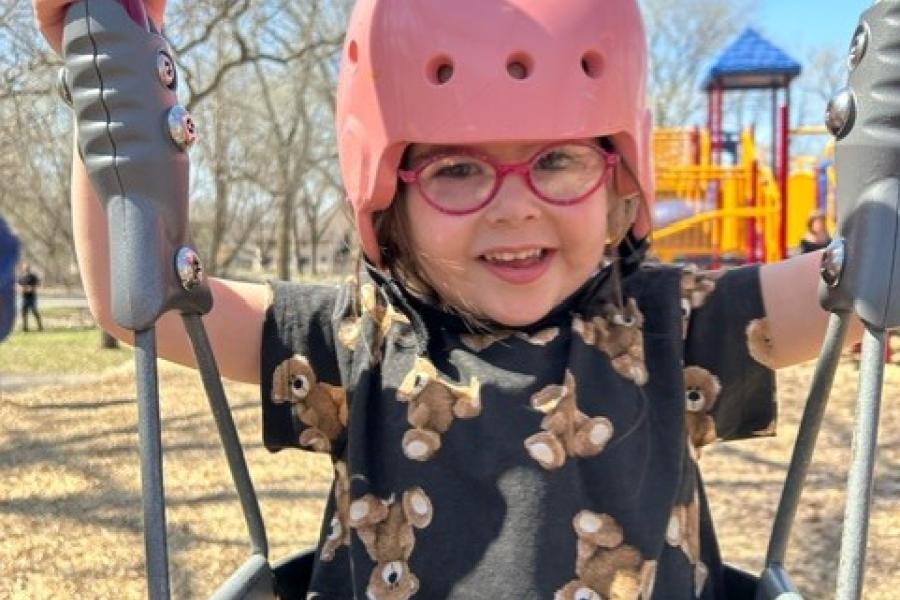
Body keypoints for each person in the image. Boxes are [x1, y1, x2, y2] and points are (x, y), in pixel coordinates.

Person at [36, 1, 862, 597]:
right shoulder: (351, 338)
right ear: (385, 197)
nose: (514, 204)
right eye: (456, 168)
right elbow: (134, 298)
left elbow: (856, 282)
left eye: (559, 161)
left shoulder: (670, 324)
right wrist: (122, 81)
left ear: (619, 178)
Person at [17, 262, 43, 333]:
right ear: (23, 268)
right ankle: (25, 328)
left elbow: (37, 285)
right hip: (24, 297)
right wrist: (20, 289)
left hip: (32, 297)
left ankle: (40, 327)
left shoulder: (33, 276)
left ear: (29, 268)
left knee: (34, 312)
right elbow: (18, 286)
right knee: (24, 313)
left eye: (27, 267)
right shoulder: (21, 277)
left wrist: (31, 288)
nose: (25, 268)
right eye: (24, 267)